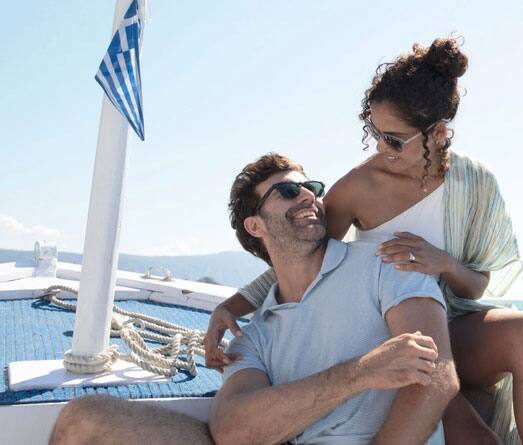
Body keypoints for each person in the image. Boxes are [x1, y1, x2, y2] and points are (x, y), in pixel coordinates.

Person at [205, 38, 523, 444]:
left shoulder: (477, 183)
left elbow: (478, 285)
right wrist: (232, 305)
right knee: (471, 431)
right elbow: (303, 257)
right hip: (391, 329)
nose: (382, 148)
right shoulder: (358, 187)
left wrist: (444, 264)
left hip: (454, 325)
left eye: (395, 140)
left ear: (436, 132)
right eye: (375, 133)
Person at [50, 153, 459, 445]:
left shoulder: (385, 263)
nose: (308, 196)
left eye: (310, 188)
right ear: (254, 225)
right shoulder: (254, 336)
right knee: (84, 420)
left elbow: (438, 377)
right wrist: (359, 373)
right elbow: (230, 431)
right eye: (286, 191)